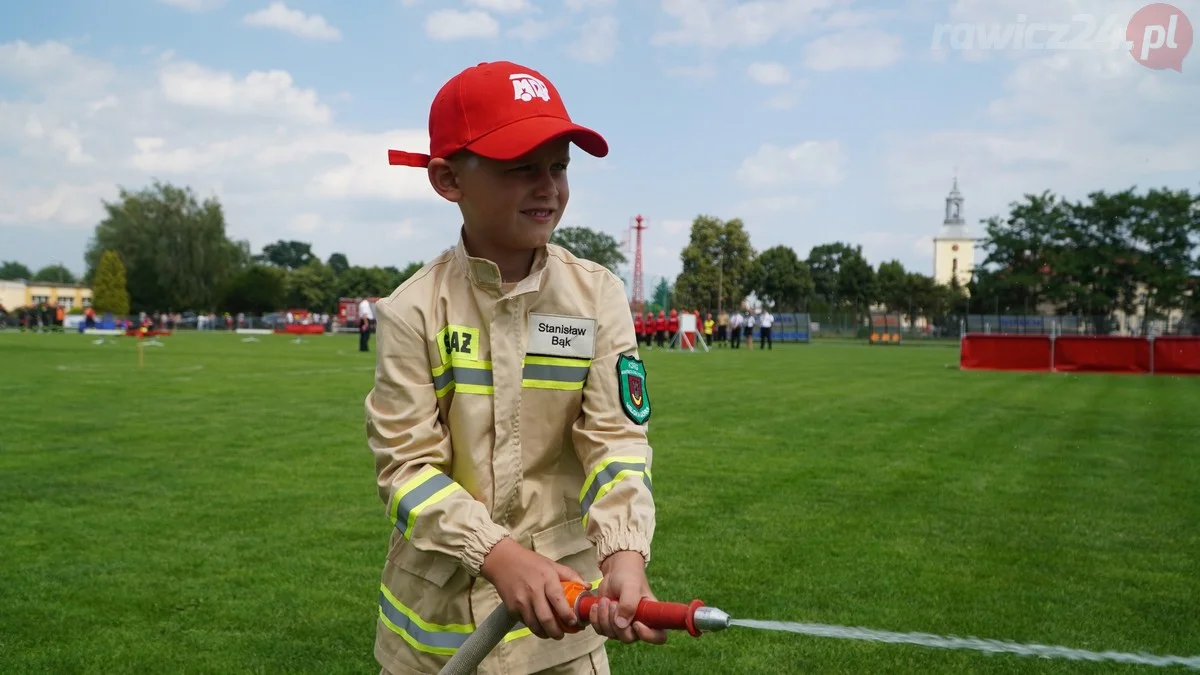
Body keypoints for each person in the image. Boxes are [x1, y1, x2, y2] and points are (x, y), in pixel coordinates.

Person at [366, 60, 663, 675]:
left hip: (562, 631)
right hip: (435, 635)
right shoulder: (411, 310)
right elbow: (404, 471)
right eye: (520, 167)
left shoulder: (596, 295)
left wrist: (624, 555)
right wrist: (495, 554)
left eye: (558, 166)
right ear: (448, 179)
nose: (548, 186)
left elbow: (615, 441)